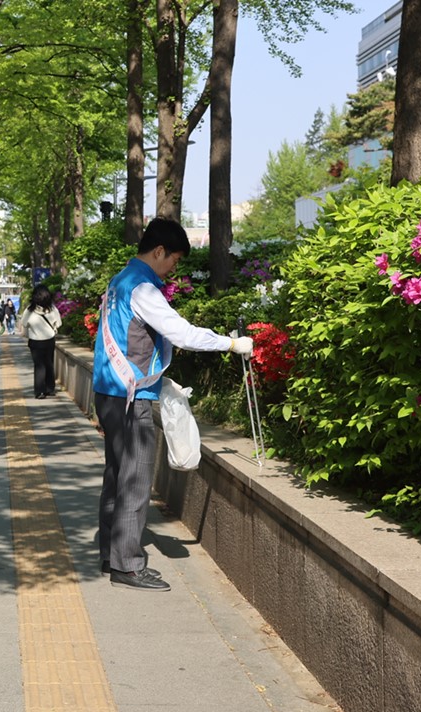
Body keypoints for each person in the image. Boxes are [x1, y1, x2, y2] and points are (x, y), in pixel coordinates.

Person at [95, 218, 253, 592]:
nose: (173, 268)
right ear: (159, 251)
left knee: (116, 476)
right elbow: (181, 333)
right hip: (131, 399)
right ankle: (128, 567)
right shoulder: (142, 289)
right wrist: (231, 344)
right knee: (134, 480)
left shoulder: (119, 281)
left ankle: (111, 553)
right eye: (174, 260)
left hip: (109, 391)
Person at [20, 284, 62, 399]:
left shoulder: (29, 310)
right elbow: (58, 323)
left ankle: (39, 391)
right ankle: (50, 388)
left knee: (39, 365)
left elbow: (24, 324)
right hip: (49, 340)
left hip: (35, 341)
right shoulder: (53, 309)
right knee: (49, 363)